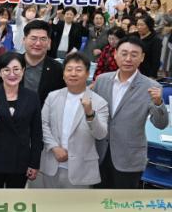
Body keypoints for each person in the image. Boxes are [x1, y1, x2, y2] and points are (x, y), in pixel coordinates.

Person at [92, 36, 168, 189]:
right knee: (97, 198)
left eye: (134, 55)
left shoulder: (151, 86)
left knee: (123, 200)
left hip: (129, 158)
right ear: (115, 54)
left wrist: (158, 103)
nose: (128, 59)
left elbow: (161, 124)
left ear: (142, 57)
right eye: (124, 53)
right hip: (99, 154)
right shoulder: (101, 80)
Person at [38, 53, 109, 188]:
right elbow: (42, 125)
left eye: (78, 70)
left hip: (81, 170)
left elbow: (101, 134)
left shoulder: (99, 102)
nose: (73, 74)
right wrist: (54, 147)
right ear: (63, 74)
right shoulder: (53, 97)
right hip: (51, 165)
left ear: (87, 74)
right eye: (69, 69)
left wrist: (90, 113)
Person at [0, 52, 42, 188]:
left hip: (20, 161)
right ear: (0, 72)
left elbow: (36, 134)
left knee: (16, 199)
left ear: (23, 70)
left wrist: (34, 163)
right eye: (6, 70)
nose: (12, 74)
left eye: (16, 69)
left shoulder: (32, 97)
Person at [0, 20, 65, 106]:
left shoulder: (58, 70)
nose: (38, 43)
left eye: (43, 39)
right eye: (33, 38)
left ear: (49, 42)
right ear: (24, 40)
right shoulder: (8, 64)